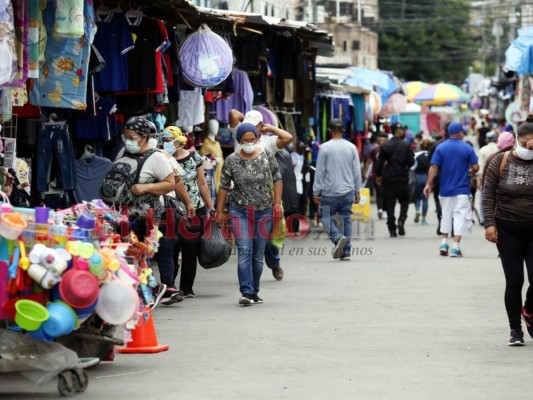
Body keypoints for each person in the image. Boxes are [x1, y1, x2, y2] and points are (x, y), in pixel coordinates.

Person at [109, 116, 176, 307]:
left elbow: (170, 184)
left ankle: (148, 292)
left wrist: (145, 188)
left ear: (144, 136)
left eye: (132, 137)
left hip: (147, 217)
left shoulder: (157, 158)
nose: (128, 140)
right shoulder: (123, 152)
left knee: (137, 253)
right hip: (123, 212)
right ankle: (151, 289)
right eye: (125, 136)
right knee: (129, 253)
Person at [216, 122, 282, 305]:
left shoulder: (267, 156)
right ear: (239, 140)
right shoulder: (231, 160)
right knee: (245, 250)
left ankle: (254, 291)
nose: (249, 143)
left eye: (252, 139)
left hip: (264, 211)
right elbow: (223, 187)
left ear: (257, 138)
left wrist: (277, 204)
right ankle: (246, 291)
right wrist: (219, 212)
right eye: (245, 140)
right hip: (240, 211)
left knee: (257, 253)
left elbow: (277, 179)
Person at [483, 113, 533, 346]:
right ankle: (515, 330)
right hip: (508, 229)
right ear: (516, 140)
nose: (528, 147)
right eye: (524, 143)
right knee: (514, 281)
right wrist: (489, 223)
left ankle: (529, 310)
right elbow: (488, 193)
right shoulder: (501, 160)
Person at [230, 109, 292, 281]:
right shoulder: (240, 136)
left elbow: (288, 138)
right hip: (241, 198)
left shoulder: (268, 142)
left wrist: (269, 127)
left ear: (261, 126)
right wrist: (246, 123)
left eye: (254, 125)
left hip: (266, 197)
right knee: (246, 243)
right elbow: (233, 113)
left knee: (269, 241)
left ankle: (274, 264)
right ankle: (248, 282)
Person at [165, 126, 215, 298]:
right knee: (171, 247)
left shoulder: (194, 158)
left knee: (189, 249)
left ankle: (187, 288)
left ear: (179, 141)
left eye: (169, 140)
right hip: (171, 208)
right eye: (163, 140)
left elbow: (202, 184)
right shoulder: (162, 159)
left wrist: (211, 207)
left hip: (195, 210)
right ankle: (169, 285)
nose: (166, 144)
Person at [423, 122, 479, 257]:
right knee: (459, 217)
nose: (463, 133)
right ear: (459, 132)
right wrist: (471, 171)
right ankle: (455, 247)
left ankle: (443, 243)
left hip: (445, 190)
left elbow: (433, 167)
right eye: (462, 131)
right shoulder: (467, 148)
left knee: (446, 215)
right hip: (462, 190)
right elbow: (476, 167)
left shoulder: (441, 148)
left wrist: (428, 184)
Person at [312, 119, 362, 260]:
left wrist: (316, 191)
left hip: (329, 192)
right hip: (348, 191)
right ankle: (346, 251)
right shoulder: (351, 147)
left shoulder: (325, 147)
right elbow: (356, 171)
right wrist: (358, 190)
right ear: (343, 131)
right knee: (346, 218)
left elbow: (320, 171)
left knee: (325, 216)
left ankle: (337, 237)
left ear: (330, 131)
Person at [376, 123, 414, 237]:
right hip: (402, 177)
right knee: (404, 201)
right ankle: (401, 220)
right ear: (399, 131)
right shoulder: (406, 145)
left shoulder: (385, 145)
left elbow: (380, 163)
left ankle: (392, 229)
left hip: (389, 178)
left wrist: (379, 176)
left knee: (390, 204)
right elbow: (411, 162)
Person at [476, 131, 499, 225]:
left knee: (484, 198)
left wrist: (478, 179)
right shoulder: (500, 148)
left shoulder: (482, 150)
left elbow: (480, 166)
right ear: (497, 139)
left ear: (486, 140)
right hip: (499, 178)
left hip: (486, 178)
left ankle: (484, 219)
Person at [363, 133, 387, 219]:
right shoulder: (375, 150)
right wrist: (365, 172)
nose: (382, 142)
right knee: (379, 192)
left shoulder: (391, 150)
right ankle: (380, 209)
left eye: (384, 140)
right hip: (377, 175)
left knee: (386, 193)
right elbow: (368, 161)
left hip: (388, 175)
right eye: (381, 140)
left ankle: (384, 210)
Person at [200, 119, 224, 193]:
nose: (215, 128)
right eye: (213, 126)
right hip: (213, 172)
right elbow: (202, 158)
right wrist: (214, 159)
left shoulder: (217, 143)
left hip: (220, 170)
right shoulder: (206, 143)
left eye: (216, 126)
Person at [412, 139, 431, 225]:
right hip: (428, 178)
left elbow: (412, 167)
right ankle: (423, 219)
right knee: (425, 199)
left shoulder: (417, 155)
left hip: (418, 177)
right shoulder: (432, 155)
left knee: (417, 197)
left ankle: (417, 210)